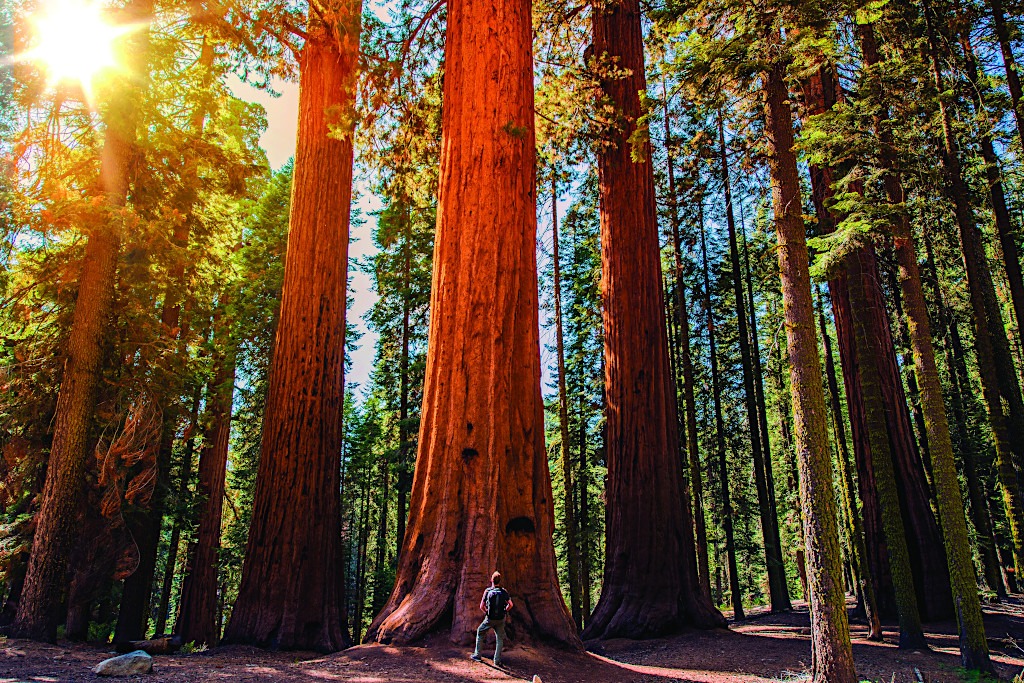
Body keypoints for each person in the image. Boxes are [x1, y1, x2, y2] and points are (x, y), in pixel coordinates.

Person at [471, 571, 513, 666]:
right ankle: (497, 660)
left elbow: (481, 606)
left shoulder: (488, 591)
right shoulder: (504, 591)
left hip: (489, 618)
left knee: (480, 632)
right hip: (501, 619)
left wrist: (487, 612)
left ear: (491, 580)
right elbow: (511, 604)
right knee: (500, 638)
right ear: (499, 581)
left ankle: (477, 655)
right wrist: (505, 611)